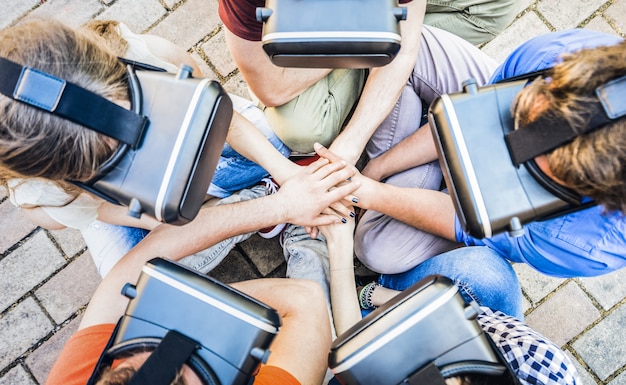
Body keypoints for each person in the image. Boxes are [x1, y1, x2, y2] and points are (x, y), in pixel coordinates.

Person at [0, 19, 328, 277]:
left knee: (272, 142)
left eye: (131, 110)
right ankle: (257, 197)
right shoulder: (43, 191)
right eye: (110, 163)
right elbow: (153, 224)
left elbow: (219, 114)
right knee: (137, 279)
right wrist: (279, 206)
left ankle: (247, 200)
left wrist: (287, 174)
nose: (132, 149)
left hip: (201, 151)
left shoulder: (140, 54)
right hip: (138, 209)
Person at [314, 26, 626, 279]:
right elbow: (469, 121)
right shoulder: (560, 57)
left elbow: (464, 225)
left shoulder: (584, 245)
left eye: (534, 172)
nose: (511, 148)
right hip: (484, 115)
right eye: (519, 119)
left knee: (376, 249)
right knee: (404, 44)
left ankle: (411, 152)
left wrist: (365, 193)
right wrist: (377, 168)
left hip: (486, 214)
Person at [45, 198, 342, 385]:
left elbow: (144, 259)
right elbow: (304, 299)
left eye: (137, 349)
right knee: (315, 334)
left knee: (91, 211)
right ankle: (310, 235)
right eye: (203, 364)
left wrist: (278, 206)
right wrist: (188, 308)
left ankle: (259, 196)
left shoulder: (77, 378)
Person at [218, 0, 521, 161]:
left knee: (496, 6)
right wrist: (369, 38)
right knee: (299, 129)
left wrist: (351, 143)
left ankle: (392, 56)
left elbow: (403, 50)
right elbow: (271, 87)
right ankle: (384, 59)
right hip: (329, 29)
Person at [320, 206, 581, 385]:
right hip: (479, 339)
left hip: (379, 366)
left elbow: (356, 353)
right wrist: (380, 295)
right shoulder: (545, 369)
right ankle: (385, 292)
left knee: (320, 345)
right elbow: (455, 319)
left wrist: (339, 245)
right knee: (487, 275)